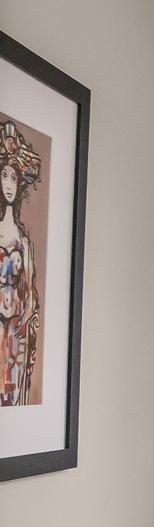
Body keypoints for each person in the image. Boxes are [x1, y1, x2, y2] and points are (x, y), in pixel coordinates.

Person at [0, 118, 43, 407]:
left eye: (14, 177)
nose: (9, 184)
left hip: (14, 332)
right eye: (4, 175)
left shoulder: (24, 242)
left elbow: (30, 296)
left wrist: (22, 311)